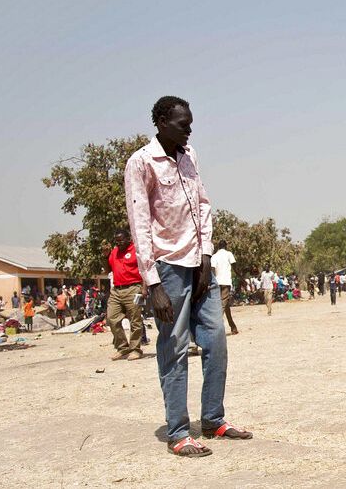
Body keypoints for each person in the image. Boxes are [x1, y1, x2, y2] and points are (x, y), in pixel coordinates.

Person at [125, 95, 251, 457]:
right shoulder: (141, 163)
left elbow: (203, 206)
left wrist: (207, 256)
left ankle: (213, 419)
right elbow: (140, 223)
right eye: (183, 124)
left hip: (199, 265)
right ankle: (178, 432)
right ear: (162, 122)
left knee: (216, 343)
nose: (190, 129)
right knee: (174, 348)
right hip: (167, 269)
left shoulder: (189, 156)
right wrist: (153, 284)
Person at [106, 228, 146, 361]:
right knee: (112, 318)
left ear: (128, 239)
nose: (119, 243)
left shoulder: (136, 250)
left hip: (133, 288)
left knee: (135, 320)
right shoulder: (114, 252)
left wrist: (144, 288)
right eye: (116, 241)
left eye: (121, 240)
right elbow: (108, 269)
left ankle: (135, 349)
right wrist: (104, 257)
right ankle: (122, 348)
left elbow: (145, 269)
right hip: (116, 289)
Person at [211, 240, 239, 334]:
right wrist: (241, 278)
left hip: (217, 283)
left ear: (218, 246)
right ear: (226, 246)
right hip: (226, 282)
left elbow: (212, 269)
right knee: (222, 305)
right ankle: (215, 328)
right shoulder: (229, 254)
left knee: (226, 305)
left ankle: (233, 327)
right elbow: (235, 267)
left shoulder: (214, 256)